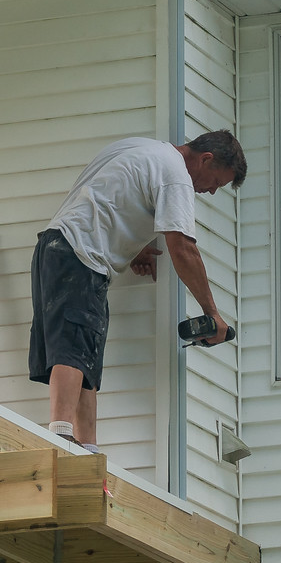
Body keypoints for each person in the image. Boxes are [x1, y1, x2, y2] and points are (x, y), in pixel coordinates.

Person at [29, 130, 247, 449]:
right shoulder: (176, 176)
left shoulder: (143, 149)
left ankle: (86, 446)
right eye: (217, 181)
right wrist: (211, 314)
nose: (212, 191)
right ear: (206, 159)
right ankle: (60, 435)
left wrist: (136, 245)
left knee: (85, 346)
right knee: (74, 344)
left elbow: (110, 195)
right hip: (81, 253)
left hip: (57, 245)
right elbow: (183, 248)